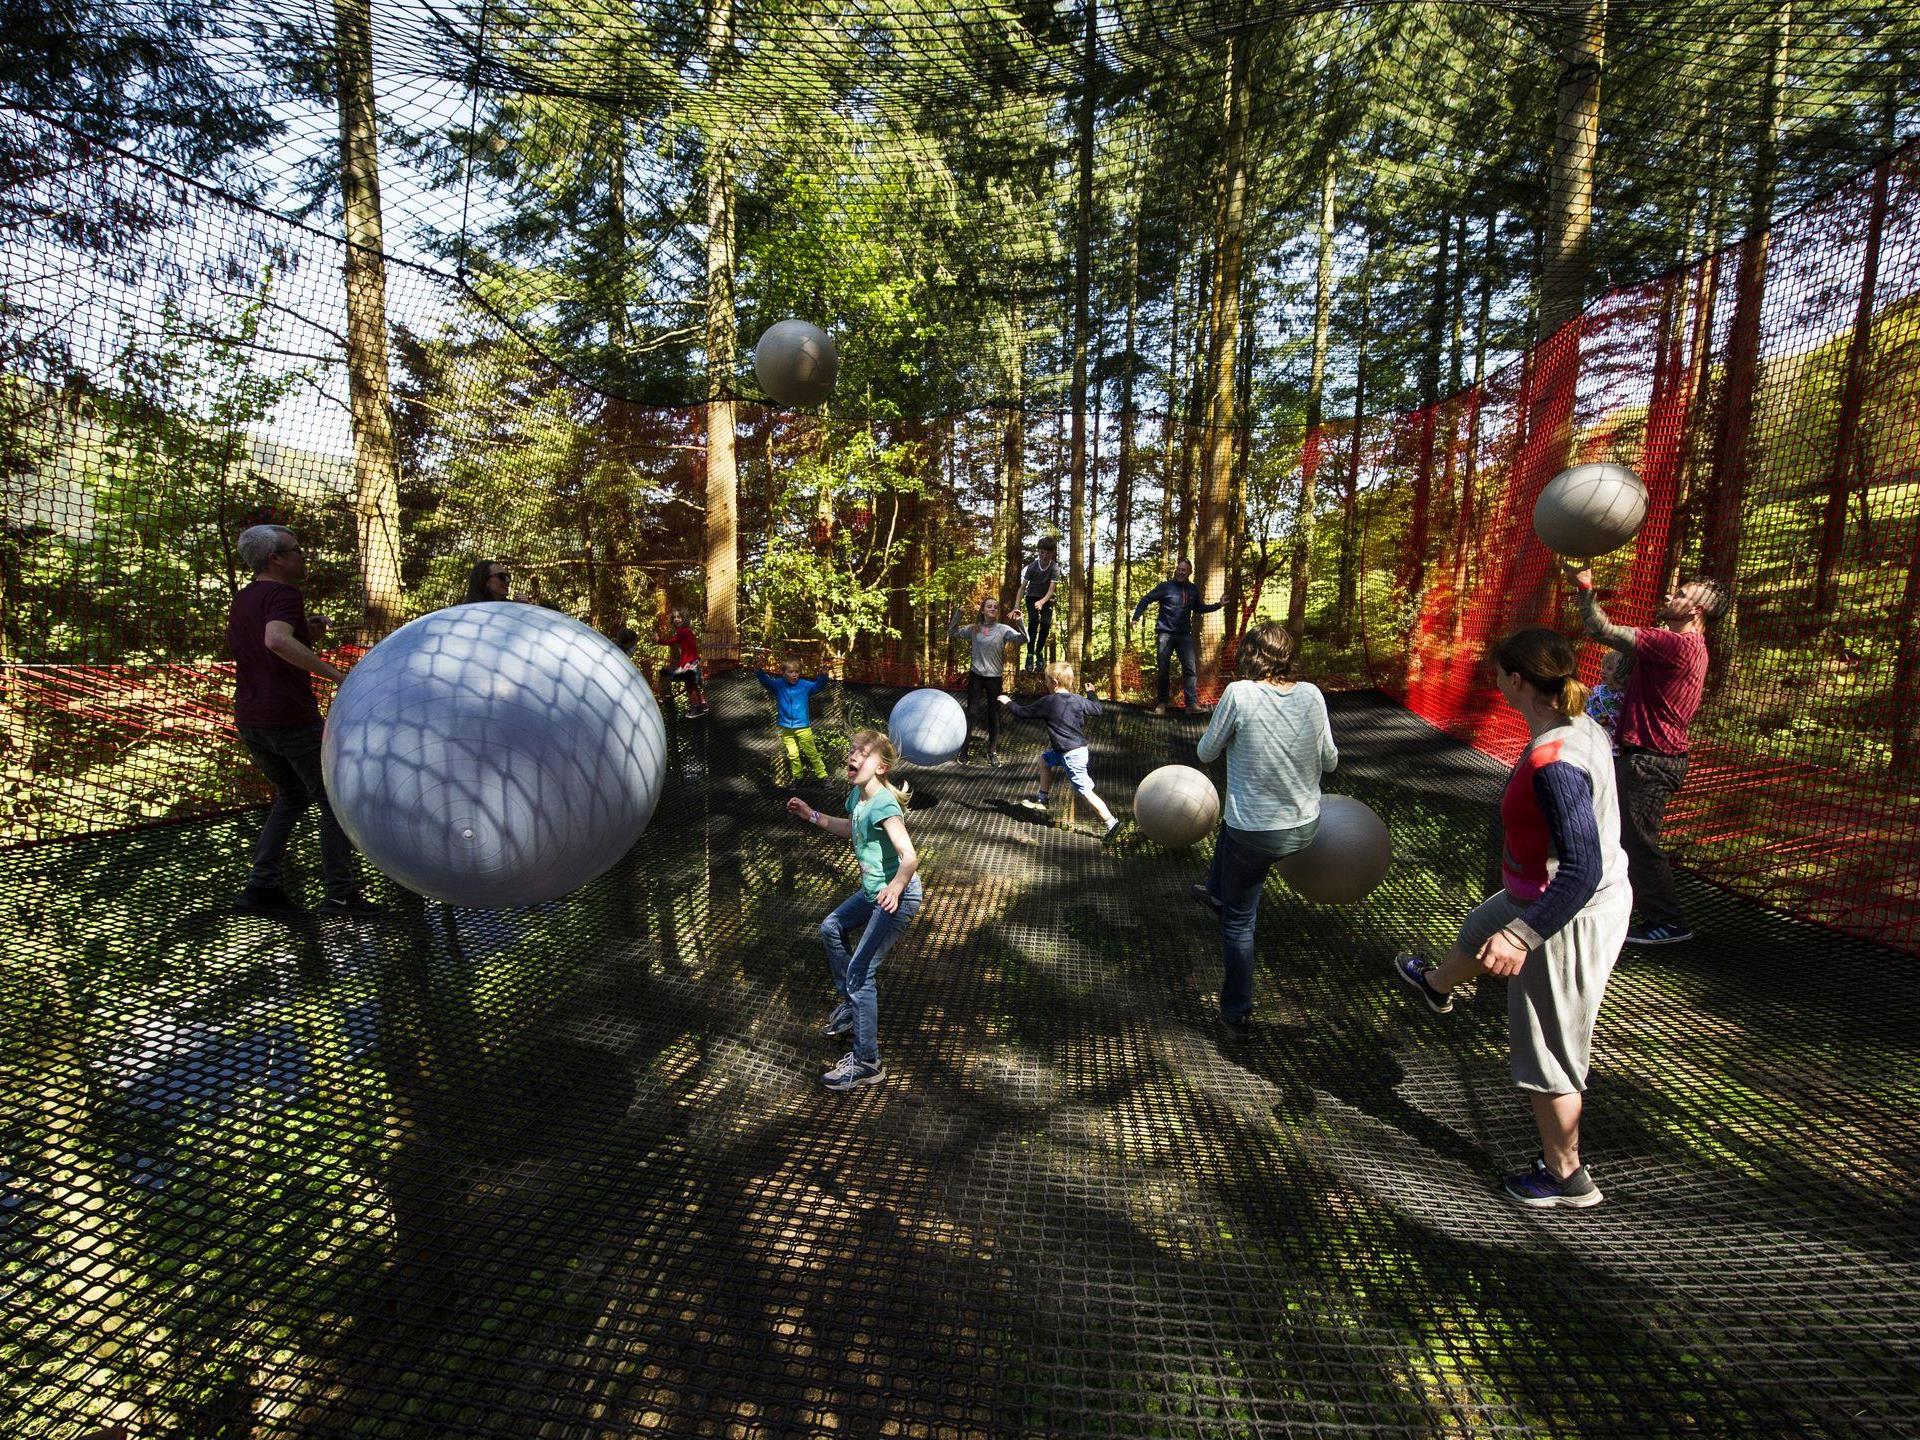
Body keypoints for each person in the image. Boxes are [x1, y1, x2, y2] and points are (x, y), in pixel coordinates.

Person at [1395, 627, 1630, 1210]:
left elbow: (1579, 871)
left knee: (1549, 1045)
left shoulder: (1558, 762)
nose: (1494, 681)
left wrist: (1525, 935)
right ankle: (1436, 986)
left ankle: (1566, 1176)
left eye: (1499, 673)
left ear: (1517, 680)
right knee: (1478, 930)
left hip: (1566, 912)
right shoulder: (1571, 724)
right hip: (1537, 890)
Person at [1567, 564, 1731, 946]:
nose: (1671, 596)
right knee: (1620, 835)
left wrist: (1586, 587)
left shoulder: (1675, 644)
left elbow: (1600, 629)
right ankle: (1615, 904)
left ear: (1697, 611)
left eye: (1682, 595)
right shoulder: (1682, 646)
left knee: (1638, 841)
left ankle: (1668, 922)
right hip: (1647, 757)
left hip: (1651, 760)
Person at [1189, 623, 1337, 1035]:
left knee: (1239, 923)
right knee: (1232, 824)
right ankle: (1215, 891)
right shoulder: (1311, 694)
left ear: (1249, 656)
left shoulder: (1239, 694)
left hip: (1256, 834)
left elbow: (1205, 752)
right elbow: (1330, 762)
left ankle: (1236, 1011)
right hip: (1305, 826)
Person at [228, 525, 376, 917]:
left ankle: (261, 887)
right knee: (332, 801)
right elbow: (275, 641)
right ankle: (341, 895)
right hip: (290, 717)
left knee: (291, 797)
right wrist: (336, 675)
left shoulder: (244, 598)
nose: (303, 555)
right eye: (296, 549)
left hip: (250, 717)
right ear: (275, 558)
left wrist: (306, 632)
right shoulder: (283, 593)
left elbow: (268, 642)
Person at [786, 729, 923, 1091]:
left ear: (882, 767)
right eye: (853, 750)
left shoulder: (885, 805)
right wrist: (811, 815)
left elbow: (909, 856)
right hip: (874, 891)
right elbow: (852, 829)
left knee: (861, 973)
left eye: (864, 752)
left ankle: (866, 1062)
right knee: (831, 927)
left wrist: (895, 887)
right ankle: (852, 1006)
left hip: (897, 895)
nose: (855, 756)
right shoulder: (857, 798)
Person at [997, 661, 1121, 840]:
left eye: (1046, 681)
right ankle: (1043, 799)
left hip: (1071, 755)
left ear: (1054, 682)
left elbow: (1022, 712)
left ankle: (1112, 823)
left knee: (1085, 791)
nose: (1045, 684)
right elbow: (1097, 709)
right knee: (1044, 760)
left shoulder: (1048, 702)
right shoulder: (1077, 699)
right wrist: (1091, 693)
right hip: (1069, 751)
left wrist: (1008, 702)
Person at [1130, 558, 1225, 714]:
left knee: (1190, 669)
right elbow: (1146, 599)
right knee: (1163, 669)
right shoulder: (1165, 587)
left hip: (1184, 636)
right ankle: (1162, 703)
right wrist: (1136, 617)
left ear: (1189, 572)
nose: (1181, 572)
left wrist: (1218, 605)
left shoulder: (1193, 589)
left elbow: (1199, 608)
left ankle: (1191, 705)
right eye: (1179, 569)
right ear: (1176, 570)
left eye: (1184, 570)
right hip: (1165, 634)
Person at [950, 598, 1028, 765]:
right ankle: (964, 750)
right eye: (989, 606)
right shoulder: (974, 628)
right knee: (971, 713)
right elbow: (952, 632)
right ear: (983, 610)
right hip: (976, 677)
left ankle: (992, 752)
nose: (993, 608)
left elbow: (1024, 639)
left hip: (994, 679)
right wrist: (959, 613)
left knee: (993, 715)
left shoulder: (1003, 629)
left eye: (995, 607)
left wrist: (1020, 620)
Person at [756, 648, 832, 783]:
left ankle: (824, 777)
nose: (794, 675)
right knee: (792, 754)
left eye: (797, 672)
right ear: (783, 673)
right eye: (791, 672)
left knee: (812, 753)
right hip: (786, 727)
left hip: (803, 726)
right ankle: (798, 777)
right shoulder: (778, 685)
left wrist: (824, 675)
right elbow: (765, 681)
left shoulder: (804, 685)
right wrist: (759, 670)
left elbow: (818, 686)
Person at [1021, 536, 1060, 671]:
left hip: (1047, 598)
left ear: (1052, 553)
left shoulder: (1054, 568)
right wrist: (1016, 606)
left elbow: (1051, 590)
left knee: (1045, 624)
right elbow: (1022, 588)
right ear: (1038, 551)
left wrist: (1043, 602)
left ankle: (1039, 651)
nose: (1044, 555)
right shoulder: (1032, 567)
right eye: (1042, 552)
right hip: (1032, 597)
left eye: (1048, 553)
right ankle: (1030, 653)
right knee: (1033, 621)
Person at [664, 609, 707, 718]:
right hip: (692, 661)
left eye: (679, 617)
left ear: (684, 619)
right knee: (692, 684)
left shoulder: (682, 631)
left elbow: (671, 642)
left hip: (690, 662)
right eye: (675, 618)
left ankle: (697, 708)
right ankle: (703, 704)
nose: (677, 620)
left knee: (689, 685)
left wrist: (658, 640)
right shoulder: (686, 631)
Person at [1585, 648, 1630, 748]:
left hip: (1612, 745)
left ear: (1621, 672)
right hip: (1591, 738)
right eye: (1603, 667)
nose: (1603, 671)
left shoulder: (1625, 696)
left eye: (1609, 669)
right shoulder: (1597, 690)